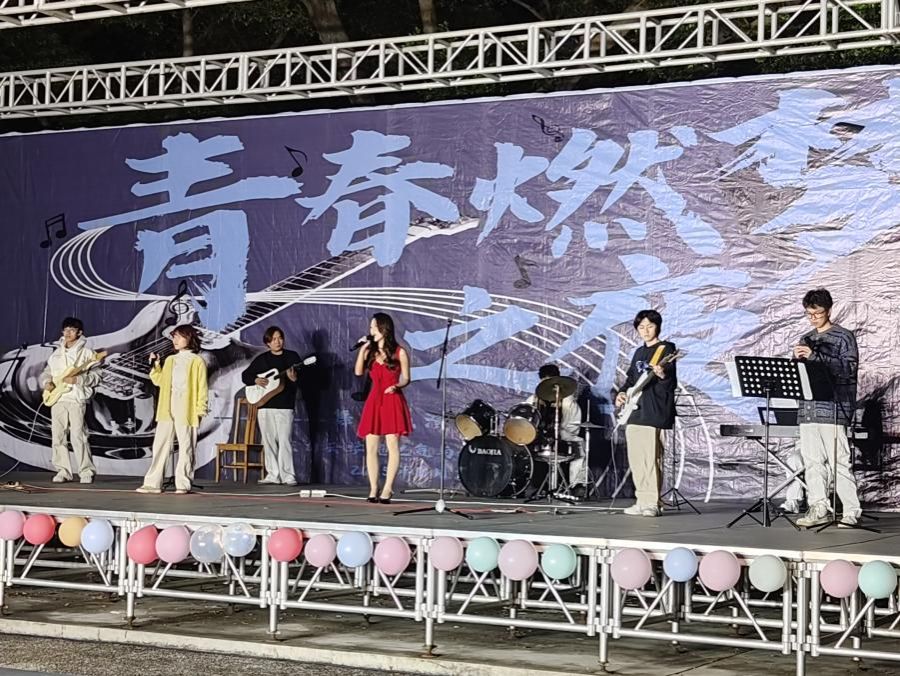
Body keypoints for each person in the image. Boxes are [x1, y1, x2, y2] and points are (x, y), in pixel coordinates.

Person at [792, 288, 861, 528]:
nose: (813, 318)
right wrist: (796, 360)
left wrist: (814, 357)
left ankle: (851, 511)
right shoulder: (806, 338)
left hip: (834, 408)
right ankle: (818, 507)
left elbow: (849, 369)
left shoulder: (844, 337)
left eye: (818, 313)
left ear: (829, 311)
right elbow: (799, 376)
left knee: (839, 461)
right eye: (809, 314)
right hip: (809, 408)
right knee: (812, 462)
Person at [614, 310, 677, 517]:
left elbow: (670, 382)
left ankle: (652, 502)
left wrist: (662, 374)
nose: (646, 331)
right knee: (636, 460)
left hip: (654, 409)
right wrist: (622, 393)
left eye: (650, 326)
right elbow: (631, 380)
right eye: (641, 327)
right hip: (635, 410)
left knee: (650, 459)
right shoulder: (639, 352)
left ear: (658, 327)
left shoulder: (666, 348)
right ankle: (642, 500)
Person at [137, 324, 208, 495]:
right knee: (160, 444)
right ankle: (153, 483)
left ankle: (183, 483)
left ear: (189, 338)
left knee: (186, 445)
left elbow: (202, 387)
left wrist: (200, 409)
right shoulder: (170, 360)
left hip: (187, 407)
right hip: (167, 406)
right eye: (174, 336)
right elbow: (160, 381)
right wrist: (156, 365)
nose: (175, 340)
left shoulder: (197, 361)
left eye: (179, 336)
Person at [354, 312, 412, 504]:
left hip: (391, 399)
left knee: (392, 445)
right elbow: (358, 371)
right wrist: (363, 349)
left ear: (384, 329)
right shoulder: (370, 352)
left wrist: (397, 385)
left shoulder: (399, 352)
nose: (371, 331)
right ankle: (373, 488)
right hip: (374, 400)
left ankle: (388, 488)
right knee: (370, 446)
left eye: (374, 327)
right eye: (370, 327)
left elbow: (406, 378)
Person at [40, 317, 100, 484]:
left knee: (78, 436)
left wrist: (78, 380)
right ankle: (63, 471)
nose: (67, 333)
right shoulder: (56, 353)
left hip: (76, 398)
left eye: (72, 330)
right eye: (65, 329)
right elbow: (47, 372)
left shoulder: (87, 353)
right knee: (58, 436)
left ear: (79, 333)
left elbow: (97, 376)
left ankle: (86, 471)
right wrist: (47, 382)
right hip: (58, 398)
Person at [241, 326, 300, 486]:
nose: (277, 341)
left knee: (285, 440)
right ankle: (273, 474)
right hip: (265, 405)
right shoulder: (262, 359)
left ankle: (288, 475)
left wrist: (294, 379)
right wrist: (255, 380)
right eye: (273, 339)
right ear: (267, 342)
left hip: (285, 405)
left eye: (280, 338)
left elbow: (302, 379)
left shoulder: (292, 357)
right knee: (268, 441)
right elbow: (245, 376)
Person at [524, 364, 587, 499]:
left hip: (561, 436)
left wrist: (557, 433)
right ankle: (527, 484)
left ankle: (577, 484)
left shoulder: (568, 401)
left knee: (579, 445)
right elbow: (524, 418)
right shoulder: (533, 399)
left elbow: (573, 427)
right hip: (536, 437)